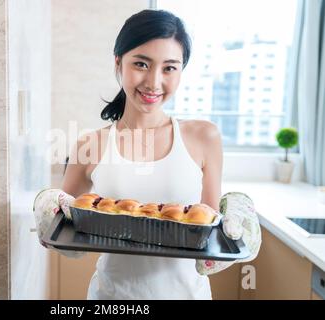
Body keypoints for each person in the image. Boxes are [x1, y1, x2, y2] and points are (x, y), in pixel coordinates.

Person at [33, 9, 261, 299]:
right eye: (141, 64)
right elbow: (67, 234)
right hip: (112, 297)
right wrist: (47, 213)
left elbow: (209, 239)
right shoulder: (88, 145)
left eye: (169, 68)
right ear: (118, 63)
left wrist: (238, 230)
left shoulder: (205, 138)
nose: (154, 82)